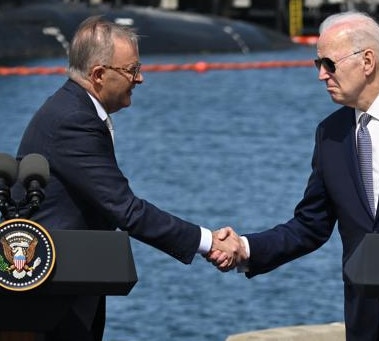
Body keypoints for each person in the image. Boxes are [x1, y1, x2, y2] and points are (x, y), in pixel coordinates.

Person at [208, 11, 379, 341]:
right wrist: (246, 248)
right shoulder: (330, 134)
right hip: (367, 322)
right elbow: (311, 225)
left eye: (329, 64)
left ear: (367, 61)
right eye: (317, 65)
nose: (322, 75)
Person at [14, 15, 239, 341]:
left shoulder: (74, 109)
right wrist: (207, 242)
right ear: (98, 75)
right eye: (132, 70)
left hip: (71, 283)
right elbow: (126, 209)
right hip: (53, 297)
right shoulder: (74, 120)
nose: (141, 78)